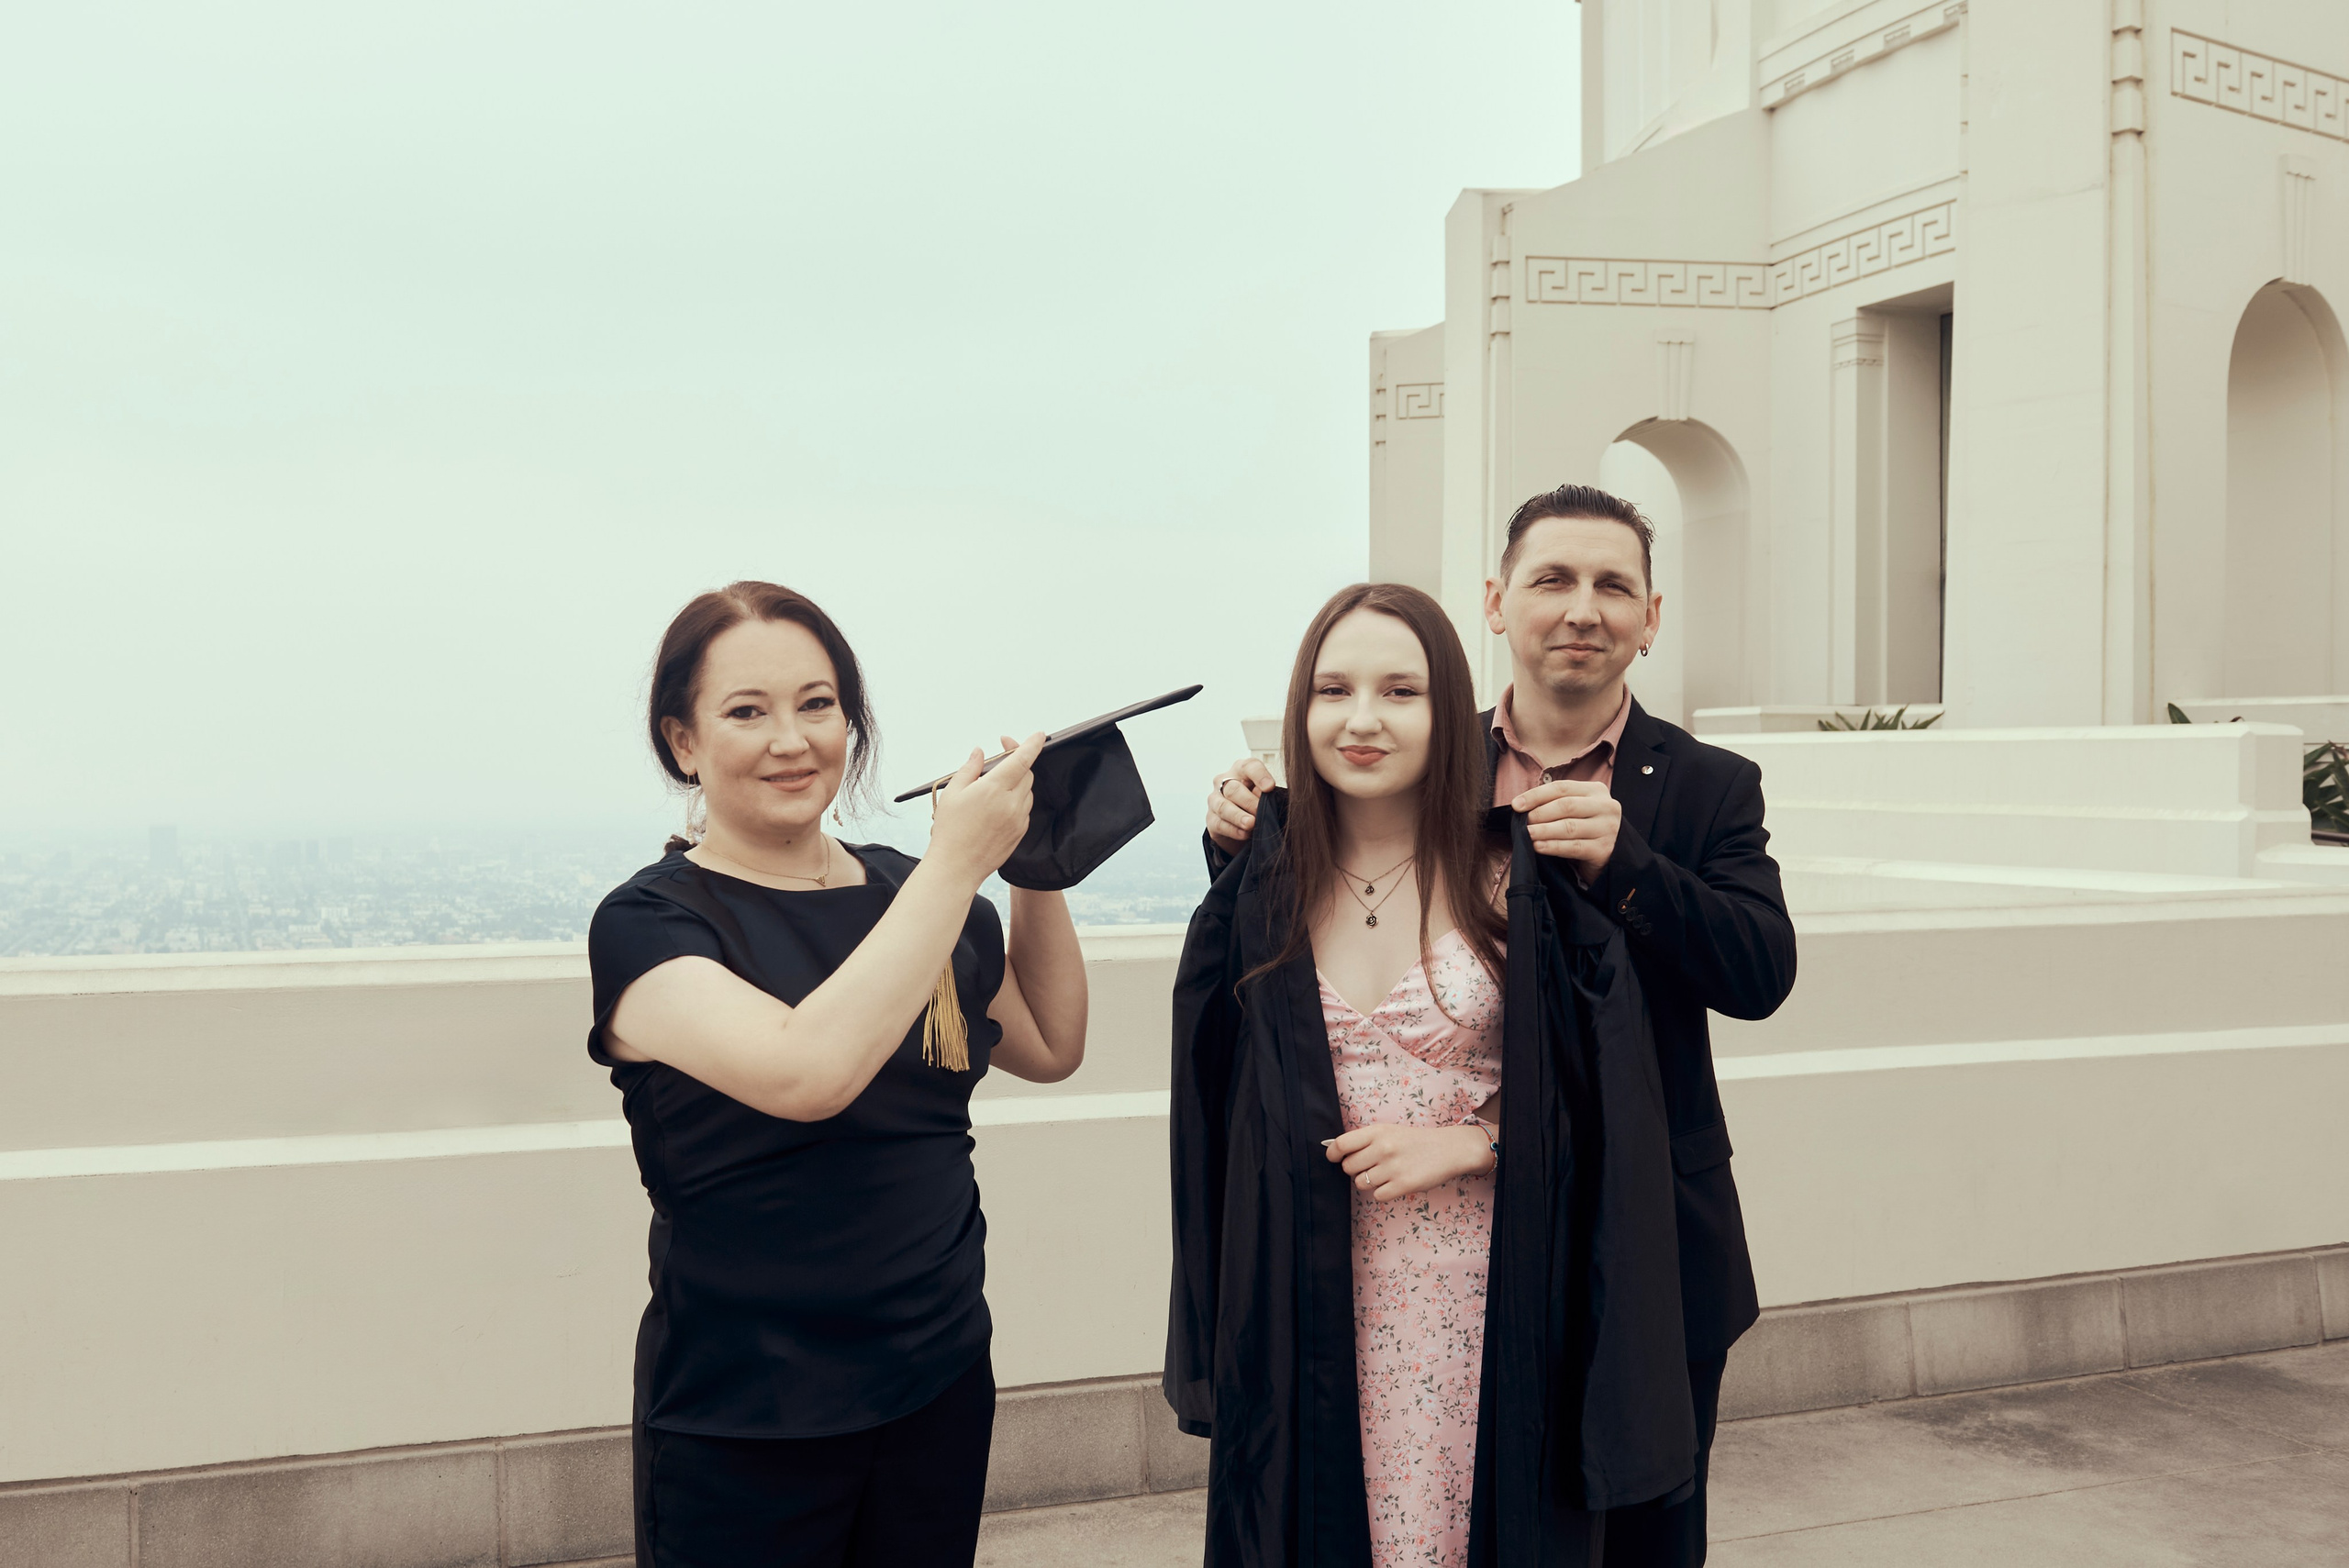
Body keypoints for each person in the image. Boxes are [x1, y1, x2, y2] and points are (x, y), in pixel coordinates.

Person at [1205, 486, 1797, 1566]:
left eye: (1612, 585)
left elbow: (1759, 972)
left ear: (1650, 616)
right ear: (1495, 603)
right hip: (1412, 1250)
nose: (1581, 608)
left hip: (1648, 1223)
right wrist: (1236, 832)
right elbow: (1306, 926)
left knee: (1635, 1530)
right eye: (1551, 580)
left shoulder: (1710, 784)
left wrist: (1628, 863)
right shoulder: (1425, 758)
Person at [586, 581, 1089, 1568]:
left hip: (937, 1377)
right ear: (682, 741)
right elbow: (806, 1071)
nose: (791, 738)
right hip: (745, 1410)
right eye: (746, 710)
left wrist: (1032, 865)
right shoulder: (652, 923)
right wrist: (957, 864)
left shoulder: (918, 889)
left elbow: (1048, 1043)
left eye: (818, 705)